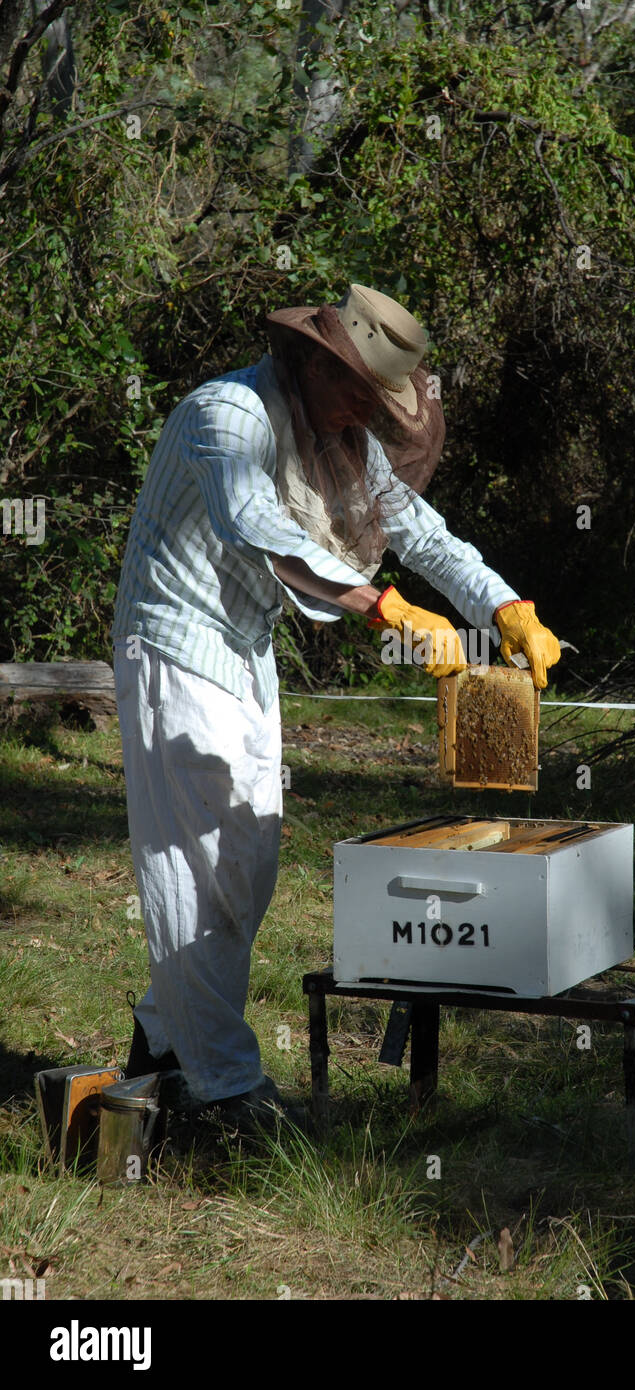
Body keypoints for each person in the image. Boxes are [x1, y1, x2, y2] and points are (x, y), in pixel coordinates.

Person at [111, 283, 560, 1132]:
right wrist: (385, 608)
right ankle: (224, 1094)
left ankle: (159, 1049)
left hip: (242, 652)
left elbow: (421, 531)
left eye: (379, 400)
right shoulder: (227, 414)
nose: (366, 412)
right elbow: (253, 526)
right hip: (170, 645)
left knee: (247, 867)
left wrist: (504, 606)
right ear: (313, 359)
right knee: (190, 867)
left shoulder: (341, 438)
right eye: (357, 389)